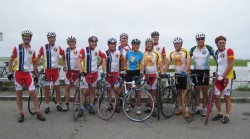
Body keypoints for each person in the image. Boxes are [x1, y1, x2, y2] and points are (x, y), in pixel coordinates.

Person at [8, 30, 46, 122]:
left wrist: (36, 74)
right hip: (18, 73)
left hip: (28, 74)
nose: (27, 38)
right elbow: (11, 60)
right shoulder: (17, 48)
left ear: (31, 38)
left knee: (33, 93)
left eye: (29, 37)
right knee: (19, 94)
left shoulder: (32, 50)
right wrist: (10, 72)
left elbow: (34, 63)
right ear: (22, 37)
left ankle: (38, 112)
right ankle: (21, 114)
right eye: (25, 36)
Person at [36, 32, 66, 113]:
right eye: (50, 38)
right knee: (46, 89)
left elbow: (64, 55)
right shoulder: (43, 47)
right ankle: (47, 105)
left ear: (55, 38)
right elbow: (38, 57)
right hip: (47, 70)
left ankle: (58, 105)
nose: (52, 39)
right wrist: (37, 66)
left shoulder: (58, 47)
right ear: (48, 39)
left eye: (53, 37)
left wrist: (63, 65)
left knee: (57, 88)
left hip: (56, 70)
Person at [78, 36, 106, 115]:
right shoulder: (84, 50)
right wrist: (81, 71)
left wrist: (100, 65)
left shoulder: (98, 50)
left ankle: (91, 106)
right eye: (92, 42)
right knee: (84, 92)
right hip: (86, 74)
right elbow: (79, 61)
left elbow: (104, 57)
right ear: (89, 42)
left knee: (93, 91)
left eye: (95, 42)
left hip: (95, 74)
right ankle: (81, 108)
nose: (94, 43)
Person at [190, 32, 215, 116]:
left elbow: (217, 58)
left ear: (204, 39)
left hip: (205, 71)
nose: (200, 40)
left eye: (202, 39)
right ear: (196, 40)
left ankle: (204, 108)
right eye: (198, 39)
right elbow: (187, 59)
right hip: (196, 71)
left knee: (205, 91)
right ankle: (197, 107)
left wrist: (220, 68)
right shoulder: (193, 49)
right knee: (197, 91)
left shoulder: (209, 48)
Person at [165, 37, 191, 117]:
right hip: (177, 74)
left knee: (185, 93)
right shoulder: (172, 53)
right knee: (178, 92)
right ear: (174, 45)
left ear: (181, 44)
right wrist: (163, 72)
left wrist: (184, 72)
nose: (177, 45)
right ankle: (180, 108)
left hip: (185, 74)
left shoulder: (185, 52)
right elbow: (168, 64)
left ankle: (186, 110)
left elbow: (188, 64)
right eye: (175, 44)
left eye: (178, 43)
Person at [212, 36, 234, 123]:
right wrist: (217, 73)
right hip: (218, 77)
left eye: (223, 42)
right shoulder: (217, 52)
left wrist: (224, 75)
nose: (222, 44)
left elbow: (230, 65)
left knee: (227, 97)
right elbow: (219, 65)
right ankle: (220, 113)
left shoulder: (229, 51)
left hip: (227, 78)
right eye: (220, 43)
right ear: (217, 44)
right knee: (217, 96)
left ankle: (227, 115)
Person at [141, 38, 164, 117]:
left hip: (154, 75)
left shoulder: (156, 53)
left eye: (150, 44)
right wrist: (142, 73)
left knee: (153, 92)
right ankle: (151, 107)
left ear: (152, 45)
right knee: (148, 93)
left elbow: (160, 63)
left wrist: (162, 72)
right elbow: (143, 64)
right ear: (146, 45)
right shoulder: (144, 54)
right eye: (147, 44)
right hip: (147, 75)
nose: (149, 45)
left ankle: (153, 108)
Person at [102, 38, 124, 113]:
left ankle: (116, 105)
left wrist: (122, 70)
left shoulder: (119, 52)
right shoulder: (105, 53)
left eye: (114, 44)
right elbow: (104, 63)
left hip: (116, 74)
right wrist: (105, 71)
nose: (113, 45)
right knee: (109, 90)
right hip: (108, 74)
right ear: (108, 45)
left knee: (116, 90)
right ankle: (110, 104)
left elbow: (123, 61)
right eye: (111, 44)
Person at [123, 39, 143, 115]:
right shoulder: (128, 53)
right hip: (128, 72)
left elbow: (142, 64)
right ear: (132, 45)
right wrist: (125, 69)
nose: (136, 46)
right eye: (134, 45)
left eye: (137, 45)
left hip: (136, 72)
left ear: (139, 46)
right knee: (128, 90)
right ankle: (128, 105)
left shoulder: (141, 54)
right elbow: (125, 61)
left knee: (137, 90)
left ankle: (138, 107)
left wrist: (141, 71)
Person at [62, 36, 80, 111]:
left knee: (77, 88)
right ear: (68, 43)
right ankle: (67, 105)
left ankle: (76, 104)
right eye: (70, 42)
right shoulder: (65, 50)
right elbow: (63, 59)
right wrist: (64, 66)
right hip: (68, 71)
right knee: (67, 88)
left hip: (76, 71)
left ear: (75, 43)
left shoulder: (79, 50)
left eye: (73, 42)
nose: (71, 43)